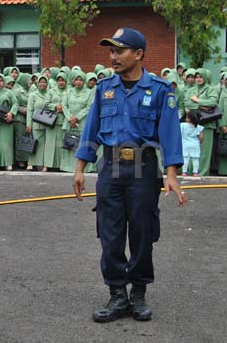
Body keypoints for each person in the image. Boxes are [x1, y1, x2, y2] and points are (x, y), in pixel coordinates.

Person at [73, 27, 186, 323]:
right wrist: (80, 168)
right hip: (110, 168)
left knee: (142, 232)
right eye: (111, 51)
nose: (113, 57)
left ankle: (138, 293)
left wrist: (172, 174)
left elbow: (170, 134)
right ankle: (117, 295)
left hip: (143, 169)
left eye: (119, 51)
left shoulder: (160, 90)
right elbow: (91, 129)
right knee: (109, 234)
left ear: (138, 54)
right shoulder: (104, 88)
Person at [183, 69, 218, 175]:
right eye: (197, 77)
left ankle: (202, 173)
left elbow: (213, 102)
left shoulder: (211, 89)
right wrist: (203, 106)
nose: (198, 79)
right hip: (193, 125)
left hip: (207, 124)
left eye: (201, 77)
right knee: (191, 150)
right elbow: (187, 104)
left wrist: (198, 101)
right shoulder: (191, 90)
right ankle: (191, 172)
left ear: (205, 78)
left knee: (204, 151)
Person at [61, 71, 95, 173]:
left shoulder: (89, 92)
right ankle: (68, 167)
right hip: (69, 121)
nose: (79, 82)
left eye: (81, 80)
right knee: (69, 143)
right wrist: (69, 117)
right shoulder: (69, 91)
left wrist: (77, 117)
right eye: (77, 79)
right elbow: (64, 105)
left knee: (82, 144)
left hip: (82, 122)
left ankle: (83, 168)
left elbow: (89, 107)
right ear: (73, 81)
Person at [0, 74, 18, 170]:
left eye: (1, 81)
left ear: (4, 82)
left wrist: (11, 113)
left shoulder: (9, 92)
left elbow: (15, 103)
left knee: (7, 142)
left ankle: (8, 163)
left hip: (6, 120)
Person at [26, 76, 51, 171]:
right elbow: (30, 110)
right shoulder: (33, 95)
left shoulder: (49, 94)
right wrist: (28, 124)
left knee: (46, 145)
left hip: (48, 123)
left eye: (44, 82)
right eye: (41, 82)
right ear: (37, 83)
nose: (42, 84)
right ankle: (31, 163)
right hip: (36, 123)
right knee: (35, 143)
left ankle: (45, 164)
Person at [180, 110, 204, 176]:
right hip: (195, 145)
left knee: (185, 158)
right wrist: (200, 142)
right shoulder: (199, 127)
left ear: (188, 118)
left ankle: (184, 172)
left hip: (185, 144)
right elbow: (201, 137)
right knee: (195, 159)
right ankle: (195, 172)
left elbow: (179, 133)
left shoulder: (182, 125)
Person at [218, 75, 227, 175]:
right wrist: (223, 125)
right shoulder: (224, 96)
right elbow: (220, 111)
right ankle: (224, 171)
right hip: (225, 128)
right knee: (225, 148)